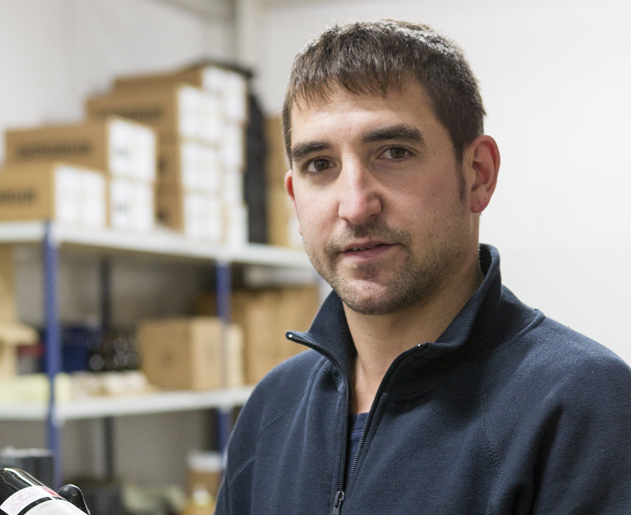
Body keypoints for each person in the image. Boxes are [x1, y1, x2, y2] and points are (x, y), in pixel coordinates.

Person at [215, 20, 631, 514]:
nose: (354, 205)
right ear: (294, 198)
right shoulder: (271, 409)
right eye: (320, 165)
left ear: (477, 175)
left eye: (394, 152)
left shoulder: (581, 405)